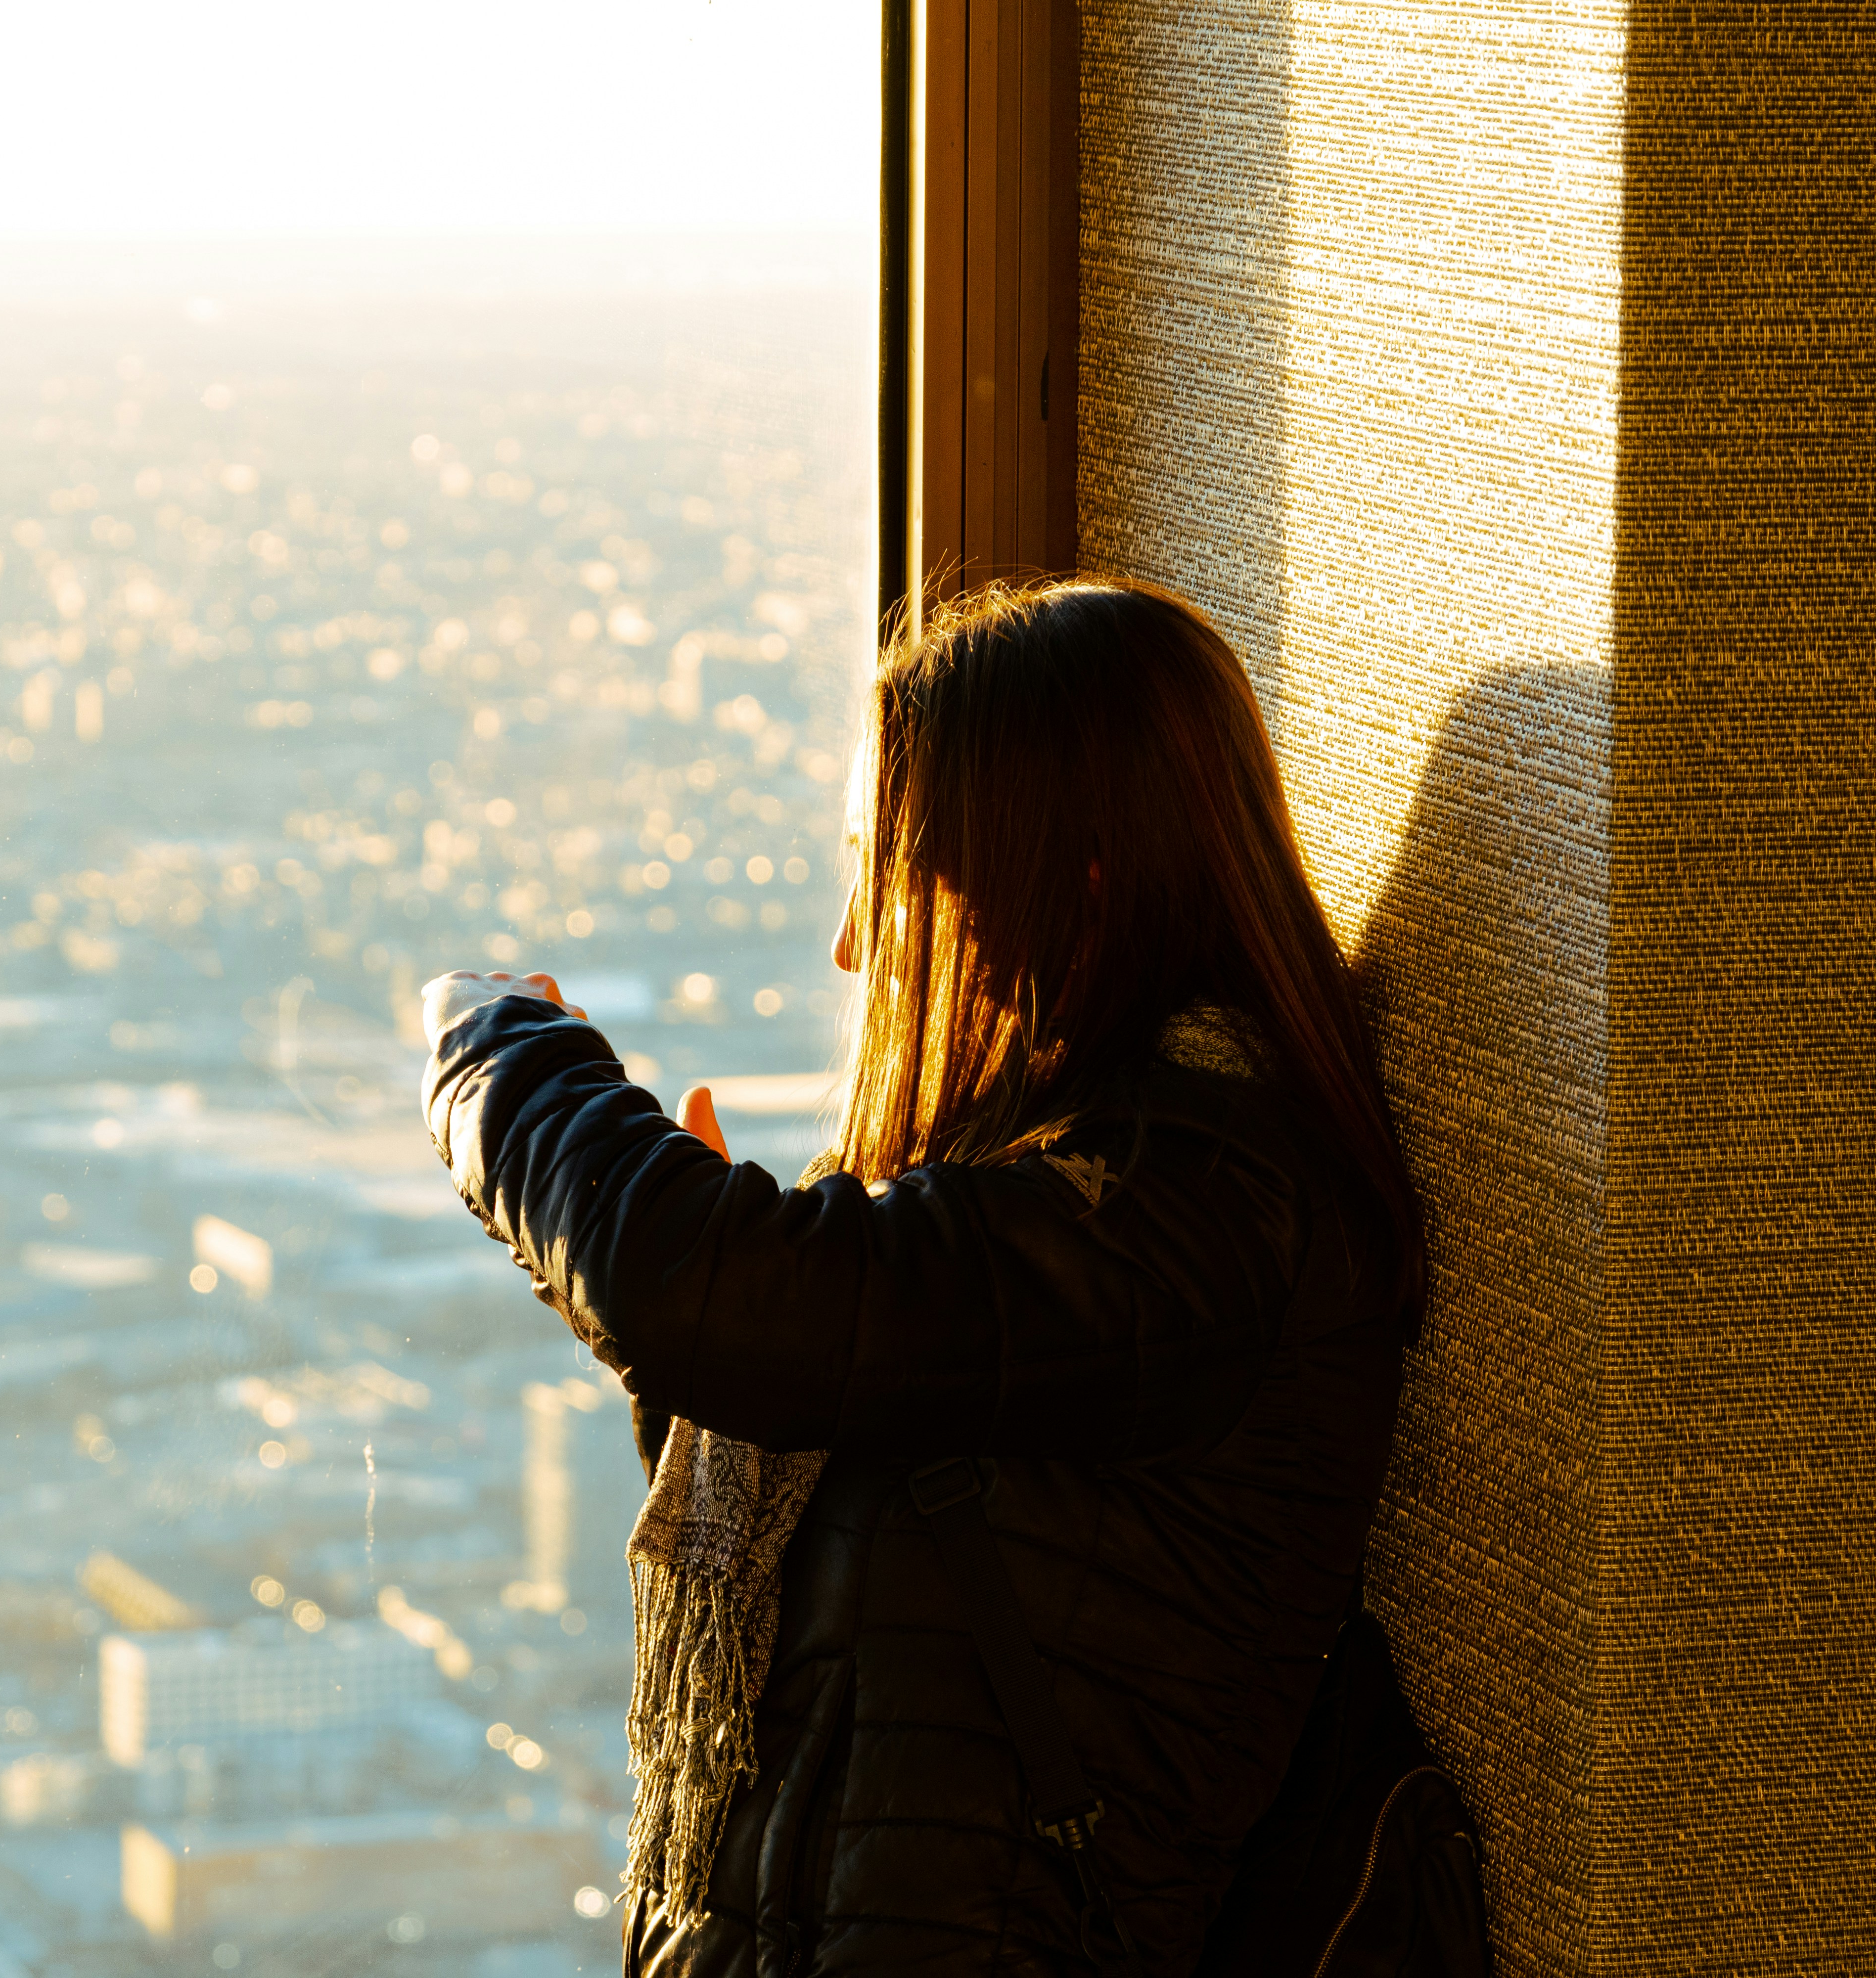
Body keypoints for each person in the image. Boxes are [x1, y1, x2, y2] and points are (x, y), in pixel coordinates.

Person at [422, 579, 1426, 1977]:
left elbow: (694, 1287)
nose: (850, 938)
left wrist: (500, 1053)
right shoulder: (1064, 1207)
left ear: (1068, 883)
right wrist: (715, 1374)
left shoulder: (1197, 1222)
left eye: (884, 863)